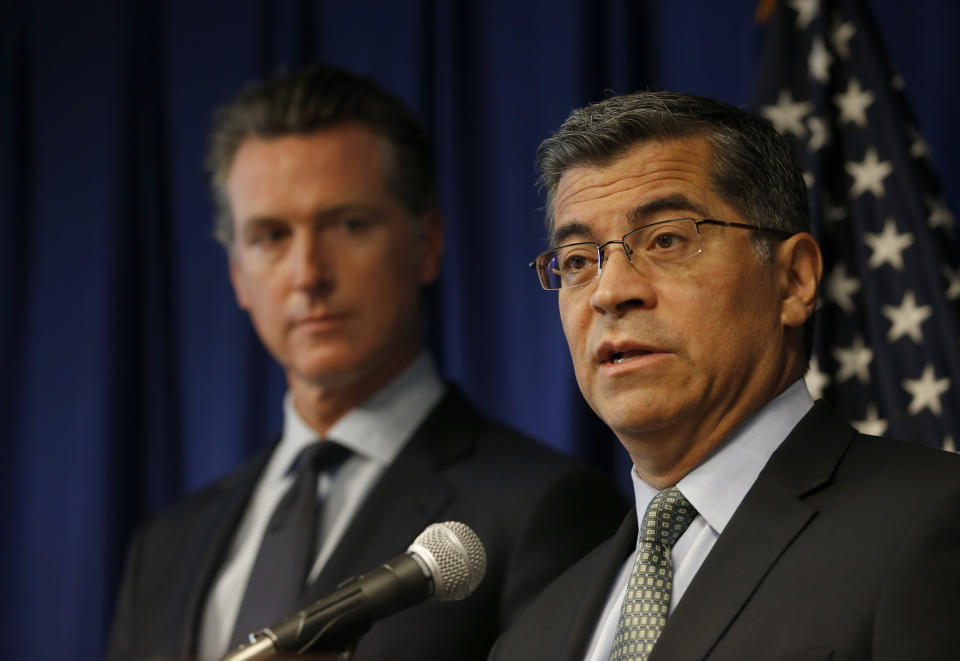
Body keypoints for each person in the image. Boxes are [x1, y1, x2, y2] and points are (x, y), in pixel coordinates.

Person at [105, 63, 627, 661]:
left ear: (426, 243)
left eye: (348, 225)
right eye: (271, 237)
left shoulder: (547, 510)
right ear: (236, 275)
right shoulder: (165, 546)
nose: (308, 276)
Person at [491, 90, 960, 660]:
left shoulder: (932, 524)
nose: (610, 292)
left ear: (793, 280)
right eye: (578, 261)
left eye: (666, 239)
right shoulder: (530, 638)